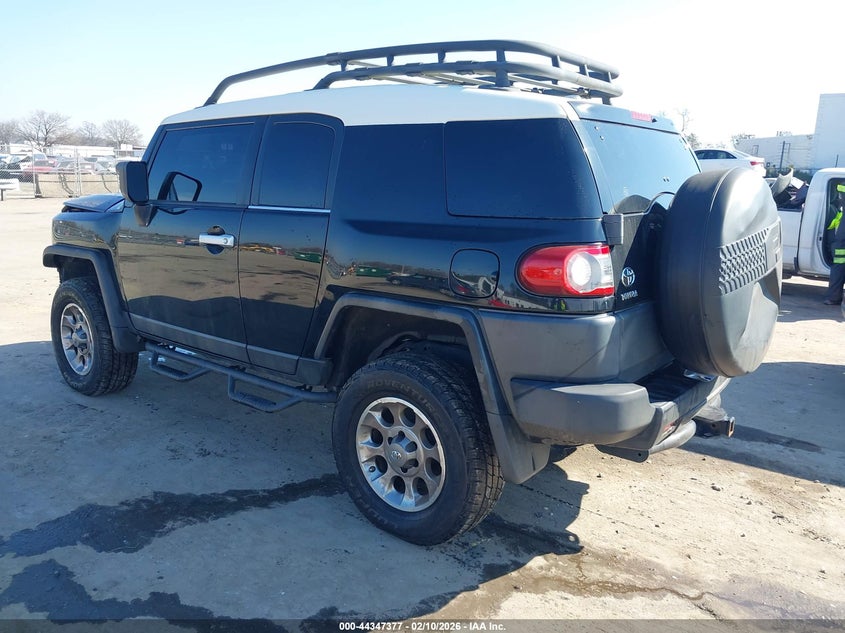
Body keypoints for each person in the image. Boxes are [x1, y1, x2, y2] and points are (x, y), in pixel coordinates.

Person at [823, 184, 845, 305]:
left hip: (839, 245)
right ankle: (833, 298)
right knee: (839, 268)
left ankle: (834, 297)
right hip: (841, 246)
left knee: (838, 268)